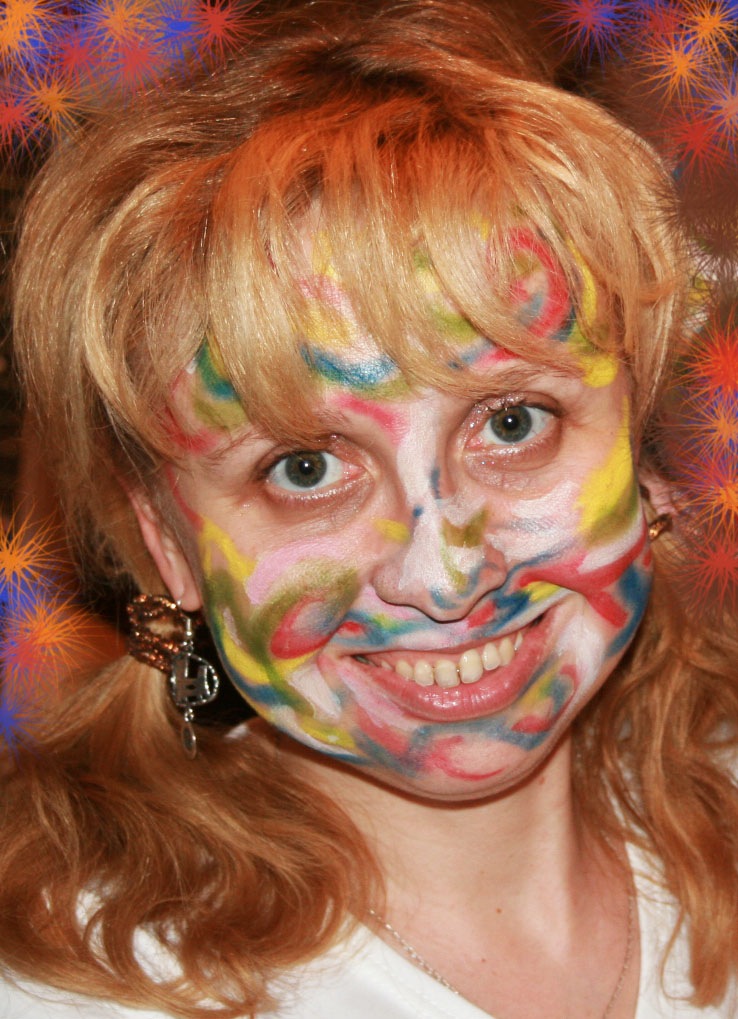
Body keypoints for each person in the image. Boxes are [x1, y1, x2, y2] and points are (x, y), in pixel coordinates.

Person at [3, 1, 738, 1016]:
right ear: (166, 540)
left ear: (646, 453)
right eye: (304, 468)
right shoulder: (60, 988)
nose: (444, 574)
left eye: (513, 421)